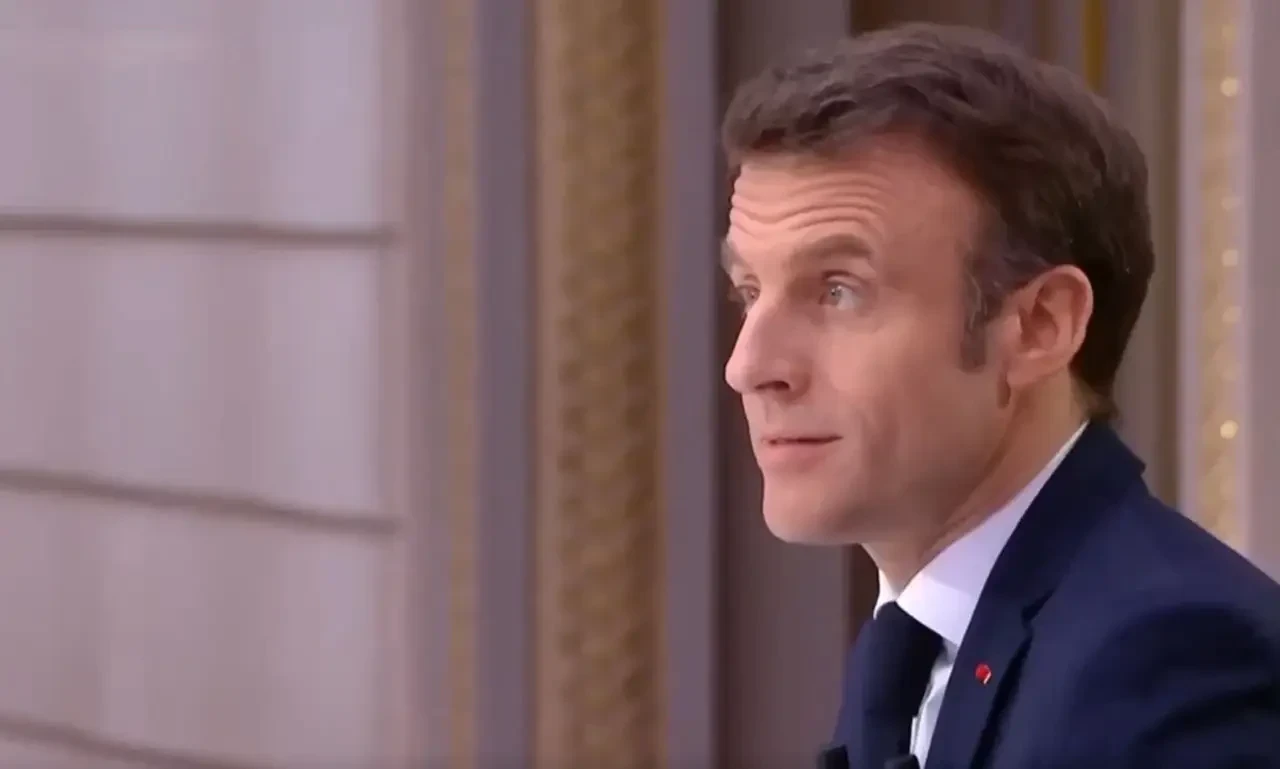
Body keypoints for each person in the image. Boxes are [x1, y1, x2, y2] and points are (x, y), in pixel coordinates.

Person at [719, 22, 1280, 769]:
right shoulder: (911, 653)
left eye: (839, 291)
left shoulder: (1171, 660)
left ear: (1040, 325)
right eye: (749, 292)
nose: (750, 365)